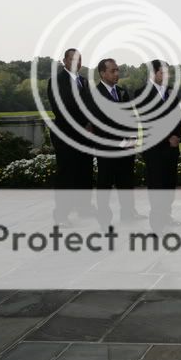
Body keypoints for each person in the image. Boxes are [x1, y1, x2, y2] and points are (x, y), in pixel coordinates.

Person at [46, 48, 96, 225]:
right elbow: (62, 108)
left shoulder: (84, 81)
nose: (77, 62)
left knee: (85, 173)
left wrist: (92, 124)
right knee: (66, 175)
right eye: (73, 59)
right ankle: (61, 215)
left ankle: (84, 208)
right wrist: (84, 124)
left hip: (85, 136)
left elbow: (90, 105)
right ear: (65, 61)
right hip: (66, 135)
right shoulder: (56, 81)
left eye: (79, 59)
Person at [92, 58, 143, 229]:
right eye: (112, 71)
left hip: (126, 147)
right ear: (102, 73)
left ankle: (128, 213)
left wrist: (132, 138)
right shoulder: (95, 94)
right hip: (107, 148)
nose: (116, 74)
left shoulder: (122, 92)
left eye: (117, 70)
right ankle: (104, 220)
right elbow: (100, 123)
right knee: (105, 183)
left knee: (126, 181)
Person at [136, 59, 181, 233]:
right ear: (153, 73)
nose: (167, 76)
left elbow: (178, 117)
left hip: (172, 148)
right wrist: (167, 138)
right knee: (157, 186)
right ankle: (156, 225)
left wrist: (177, 136)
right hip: (154, 149)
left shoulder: (171, 93)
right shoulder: (141, 93)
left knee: (170, 185)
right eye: (163, 73)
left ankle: (166, 216)